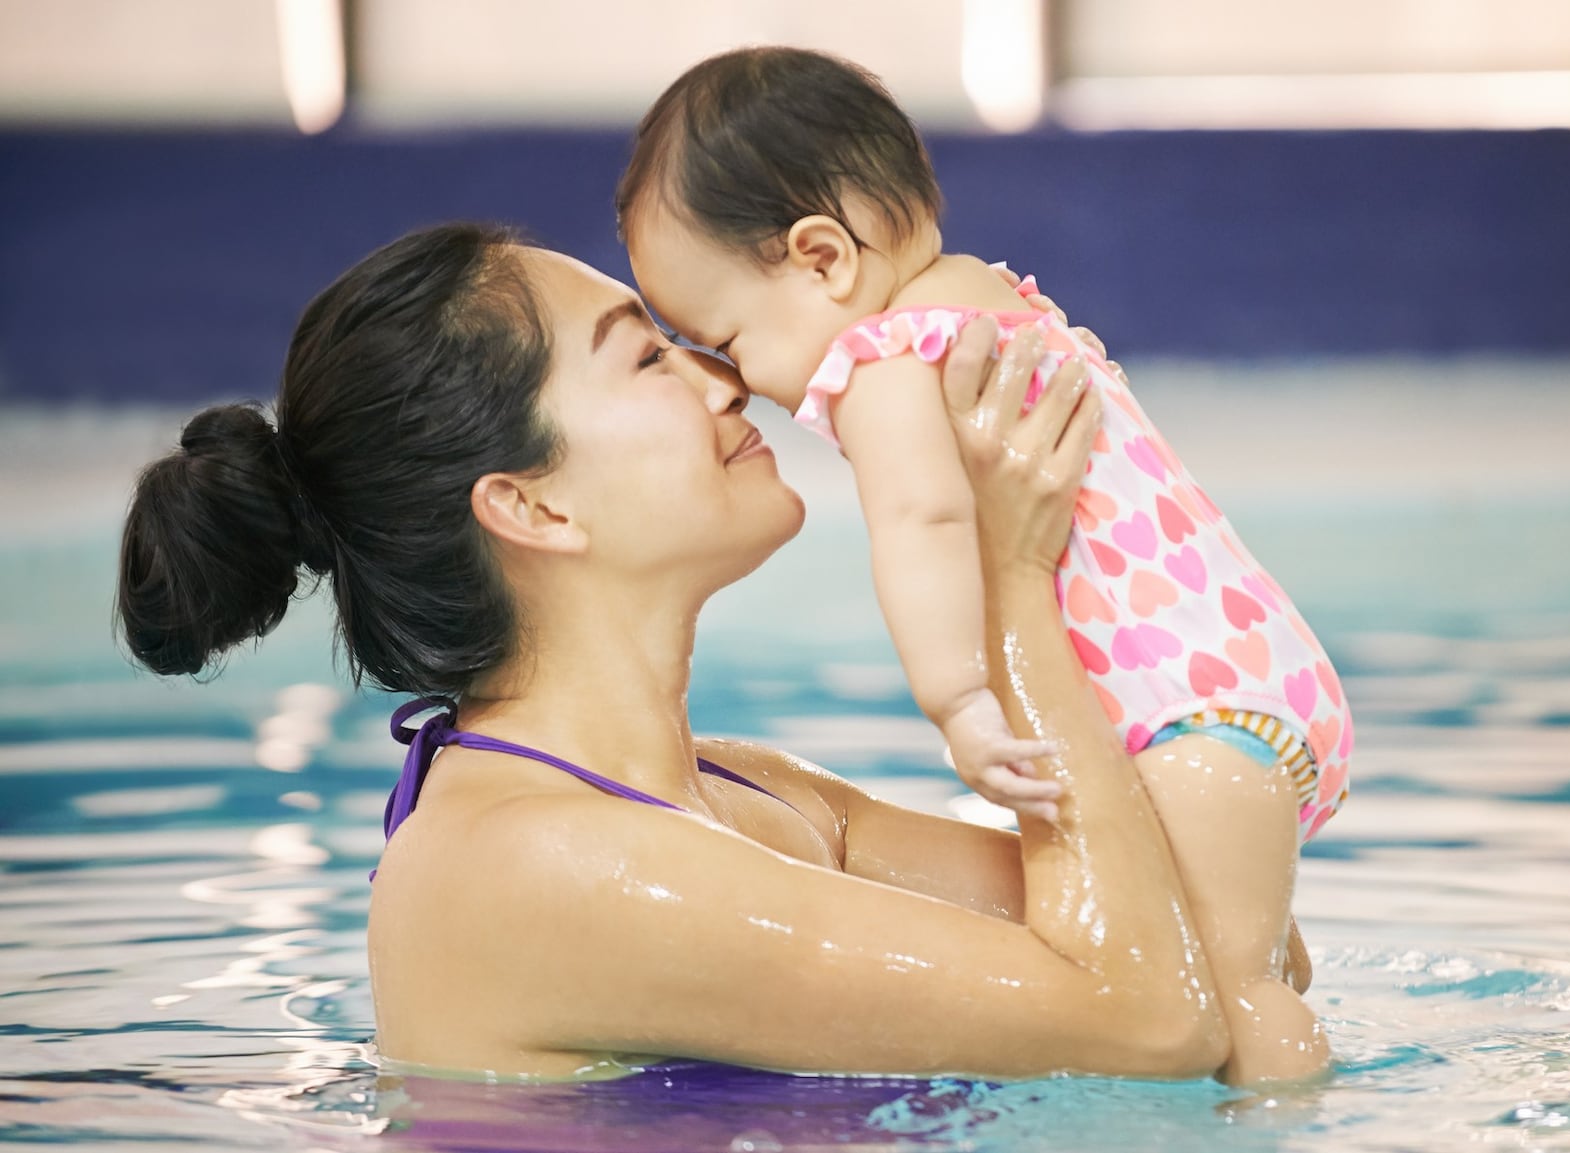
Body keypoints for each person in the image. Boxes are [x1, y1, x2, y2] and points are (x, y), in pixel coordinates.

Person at [116, 223, 1257, 1080]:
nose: (724, 376)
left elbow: (1230, 952)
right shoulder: (535, 865)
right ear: (533, 507)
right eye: (649, 360)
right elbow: (1153, 1020)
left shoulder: (753, 794)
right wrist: (1011, 586)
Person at [615, 47, 1348, 1082]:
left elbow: (919, 516)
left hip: (1185, 716)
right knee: (1248, 960)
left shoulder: (883, 362)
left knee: (1225, 1007)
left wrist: (955, 699)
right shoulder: (993, 298)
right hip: (1243, 679)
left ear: (822, 259)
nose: (737, 383)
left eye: (729, 340)